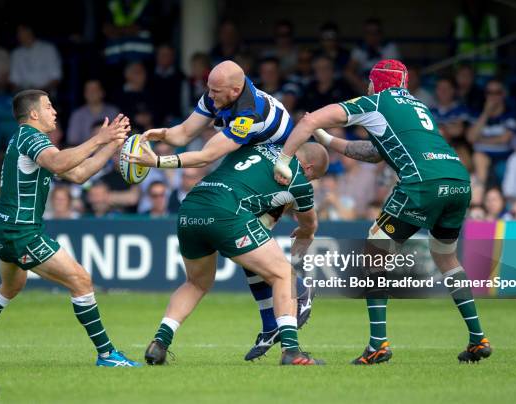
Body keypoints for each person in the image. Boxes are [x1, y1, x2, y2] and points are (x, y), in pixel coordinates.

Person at [274, 59, 492, 364]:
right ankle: (478, 338)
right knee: (446, 256)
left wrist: (284, 158)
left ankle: (378, 344)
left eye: (370, 82)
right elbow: (375, 153)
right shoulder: (417, 106)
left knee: (373, 252)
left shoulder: (374, 101)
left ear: (376, 83)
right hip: (457, 181)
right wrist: (326, 139)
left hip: (422, 183)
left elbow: (309, 122)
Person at [125, 60, 316, 360]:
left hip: (272, 177)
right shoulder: (218, 93)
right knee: (276, 269)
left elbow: (205, 156)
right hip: (240, 188)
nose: (210, 97)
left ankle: (161, 342)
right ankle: (288, 335)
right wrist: (159, 134)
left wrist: (159, 163)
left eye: (216, 92)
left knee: (210, 276)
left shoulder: (250, 113)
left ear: (235, 89)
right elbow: (184, 133)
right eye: (209, 89)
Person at [0, 89, 141, 367]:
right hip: (21, 231)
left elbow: (77, 174)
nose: (55, 112)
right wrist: (99, 138)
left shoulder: (29, 142)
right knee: (81, 280)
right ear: (34, 114)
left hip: (3, 228)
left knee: (11, 286)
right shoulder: (31, 137)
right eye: (49, 107)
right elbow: (59, 161)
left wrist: (111, 144)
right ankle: (107, 354)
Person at [142, 143, 328, 366]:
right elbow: (309, 222)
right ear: (308, 168)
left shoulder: (257, 146)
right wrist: (306, 232)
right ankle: (291, 351)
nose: (311, 182)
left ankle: (159, 344)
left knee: (196, 283)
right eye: (313, 177)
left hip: (191, 207)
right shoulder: (298, 176)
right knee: (283, 275)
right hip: (227, 212)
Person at [10, 25, 62, 93]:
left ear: (29, 31)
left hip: (45, 94)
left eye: (21, 31)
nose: (18, 35)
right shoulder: (16, 53)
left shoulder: (48, 49)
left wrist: (40, 92)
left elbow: (56, 77)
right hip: (24, 96)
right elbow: (14, 80)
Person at [67, 79, 119, 146]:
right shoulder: (78, 114)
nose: (91, 93)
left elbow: (119, 138)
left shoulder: (113, 112)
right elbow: (72, 141)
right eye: (88, 91)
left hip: (109, 152)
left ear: (102, 92)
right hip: (85, 154)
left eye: (94, 90)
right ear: (84, 94)